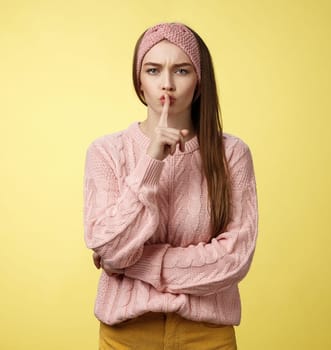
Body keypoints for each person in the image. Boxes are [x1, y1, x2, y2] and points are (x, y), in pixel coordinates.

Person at [83, 22, 258, 349]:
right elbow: (110, 245)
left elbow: (233, 259)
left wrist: (134, 263)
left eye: (181, 70)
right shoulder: (106, 152)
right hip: (127, 334)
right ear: (139, 81)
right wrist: (151, 161)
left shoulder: (232, 154)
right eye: (153, 70)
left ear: (199, 81)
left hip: (207, 334)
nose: (166, 84)